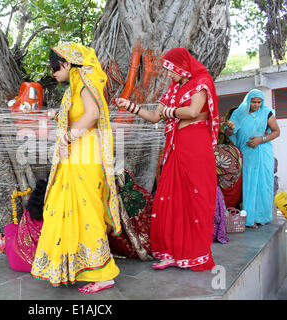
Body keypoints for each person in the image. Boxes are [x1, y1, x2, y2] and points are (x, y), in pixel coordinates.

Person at [115, 47, 219, 270]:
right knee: (171, 199)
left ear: (182, 66)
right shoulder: (173, 89)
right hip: (176, 145)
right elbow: (154, 116)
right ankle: (172, 252)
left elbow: (193, 112)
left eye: (171, 70)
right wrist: (131, 107)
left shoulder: (201, 81)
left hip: (195, 145)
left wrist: (170, 112)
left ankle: (195, 255)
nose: (169, 74)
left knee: (194, 199)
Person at [30, 42, 122, 293]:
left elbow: (91, 114)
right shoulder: (75, 84)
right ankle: (75, 266)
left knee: (87, 211)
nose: (53, 72)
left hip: (84, 152)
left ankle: (104, 273)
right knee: (69, 209)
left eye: (54, 66)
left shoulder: (83, 77)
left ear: (67, 62)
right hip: (76, 152)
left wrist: (67, 138)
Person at [224, 89, 280, 228]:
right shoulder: (239, 113)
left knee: (264, 184)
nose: (256, 105)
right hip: (247, 153)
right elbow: (229, 132)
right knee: (249, 184)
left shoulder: (267, 112)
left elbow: (276, 131)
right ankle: (250, 219)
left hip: (263, 152)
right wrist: (229, 127)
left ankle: (263, 217)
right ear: (248, 101)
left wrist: (261, 139)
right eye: (253, 102)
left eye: (259, 102)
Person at [4, 179, 46, 272]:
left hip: (16, 262)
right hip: (47, 266)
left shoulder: (34, 199)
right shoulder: (57, 205)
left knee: (10, 228)